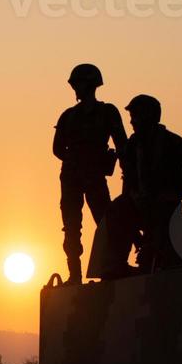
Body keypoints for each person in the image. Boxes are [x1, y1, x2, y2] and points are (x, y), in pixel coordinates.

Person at [88, 95, 182, 278]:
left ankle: (161, 261)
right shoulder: (133, 145)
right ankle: (116, 265)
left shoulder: (173, 143)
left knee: (161, 235)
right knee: (115, 210)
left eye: (136, 116)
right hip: (140, 203)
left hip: (166, 205)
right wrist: (134, 197)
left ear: (149, 117)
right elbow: (129, 178)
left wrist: (171, 194)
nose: (132, 122)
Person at [52, 64, 127, 285]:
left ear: (90, 85)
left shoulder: (107, 112)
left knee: (105, 222)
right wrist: (78, 160)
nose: (75, 89)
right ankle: (74, 274)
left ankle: (110, 267)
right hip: (72, 178)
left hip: (93, 177)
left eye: (78, 84)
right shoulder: (68, 116)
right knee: (72, 226)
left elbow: (122, 144)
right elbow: (57, 149)